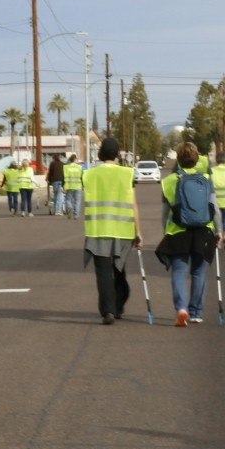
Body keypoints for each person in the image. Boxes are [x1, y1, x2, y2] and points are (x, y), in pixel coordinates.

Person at [82, 137, 142, 324]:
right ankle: (118, 305)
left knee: (103, 272)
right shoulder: (127, 173)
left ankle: (108, 310)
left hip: (98, 229)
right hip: (122, 229)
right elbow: (133, 205)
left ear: (100, 154)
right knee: (118, 268)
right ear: (117, 154)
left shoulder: (89, 174)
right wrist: (138, 231)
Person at [157, 142, 217, 325]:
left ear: (179, 161)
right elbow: (215, 207)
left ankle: (181, 308)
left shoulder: (168, 181)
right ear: (197, 159)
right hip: (203, 230)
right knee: (199, 272)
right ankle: (196, 312)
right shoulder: (206, 179)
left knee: (179, 271)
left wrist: (165, 232)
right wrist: (220, 231)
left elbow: (165, 212)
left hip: (178, 231)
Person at [64, 154, 84, 220]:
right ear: (75, 159)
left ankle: (69, 209)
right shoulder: (80, 167)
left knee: (68, 200)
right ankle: (76, 215)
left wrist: (64, 186)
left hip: (69, 186)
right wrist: (83, 186)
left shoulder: (66, 167)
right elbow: (82, 177)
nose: (77, 160)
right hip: (78, 186)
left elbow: (64, 177)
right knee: (77, 201)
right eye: (77, 159)